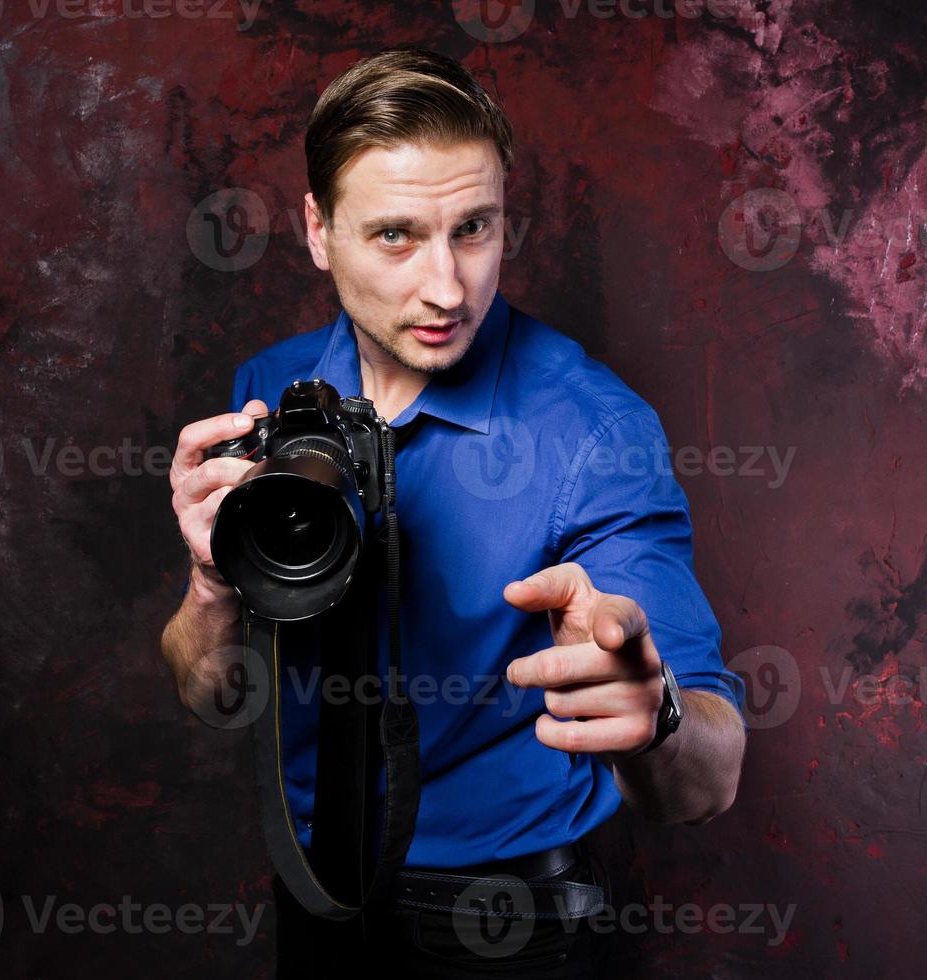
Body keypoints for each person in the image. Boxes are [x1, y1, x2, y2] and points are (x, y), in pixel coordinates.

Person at [161, 47, 749, 978]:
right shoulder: (268, 392)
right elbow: (210, 695)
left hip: (507, 925)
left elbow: (706, 784)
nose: (446, 287)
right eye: (395, 236)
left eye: (473, 228)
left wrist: (658, 712)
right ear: (318, 231)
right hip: (317, 896)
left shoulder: (595, 432)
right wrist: (208, 586)